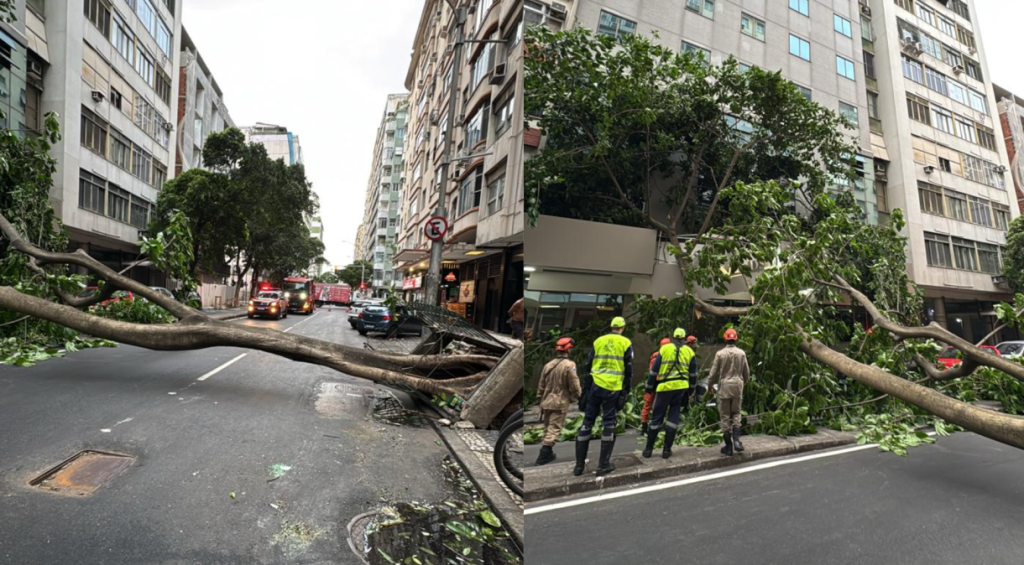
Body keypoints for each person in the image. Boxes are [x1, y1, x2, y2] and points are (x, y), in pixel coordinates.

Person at [574, 316, 633, 477]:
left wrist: (586, 387)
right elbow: (628, 368)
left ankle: (579, 467)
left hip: (595, 385)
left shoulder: (599, 341)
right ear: (623, 327)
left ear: (611, 326)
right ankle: (603, 464)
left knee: (587, 422)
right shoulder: (625, 343)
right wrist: (626, 389)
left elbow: (588, 363)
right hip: (613, 387)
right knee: (609, 422)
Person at [642, 328, 696, 459]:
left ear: (673, 336)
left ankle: (648, 449)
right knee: (673, 417)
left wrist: (649, 387)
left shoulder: (665, 349)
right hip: (680, 388)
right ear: (684, 338)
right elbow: (693, 374)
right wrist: (691, 390)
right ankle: (666, 450)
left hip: (664, 387)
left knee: (657, 417)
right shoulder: (689, 351)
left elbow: (654, 371)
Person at [535, 337, 582, 466]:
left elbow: (541, 384)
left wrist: (539, 397)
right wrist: (579, 395)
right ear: (569, 349)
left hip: (546, 401)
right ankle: (544, 454)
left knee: (547, 427)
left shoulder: (548, 364)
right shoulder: (569, 365)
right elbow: (574, 383)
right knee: (554, 428)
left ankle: (547, 452)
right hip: (559, 401)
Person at [706, 328, 750, 456]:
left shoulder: (720, 354)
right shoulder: (741, 353)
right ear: (735, 339)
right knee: (736, 413)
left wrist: (710, 385)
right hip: (737, 385)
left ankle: (728, 446)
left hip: (724, 386)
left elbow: (713, 373)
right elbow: (746, 372)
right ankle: (737, 441)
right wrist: (744, 381)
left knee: (725, 415)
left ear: (725, 338)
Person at [640, 337, 672, 436]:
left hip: (653, 382)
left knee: (648, 404)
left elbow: (651, 371)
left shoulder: (655, 356)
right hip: (660, 383)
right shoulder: (666, 356)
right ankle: (653, 425)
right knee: (659, 404)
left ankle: (644, 426)